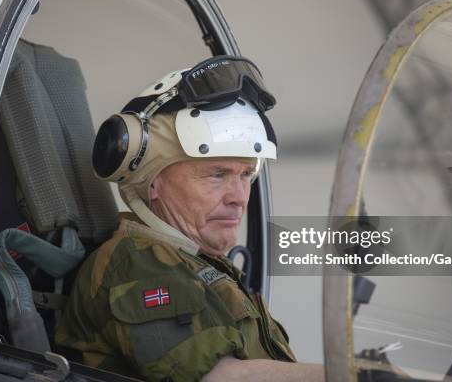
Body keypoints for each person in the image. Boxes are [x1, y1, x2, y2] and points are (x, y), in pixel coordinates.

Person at [55, 56, 325, 381]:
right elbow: (220, 378)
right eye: (217, 174)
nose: (239, 197)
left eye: (246, 175)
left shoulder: (197, 265)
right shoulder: (136, 262)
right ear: (153, 181)